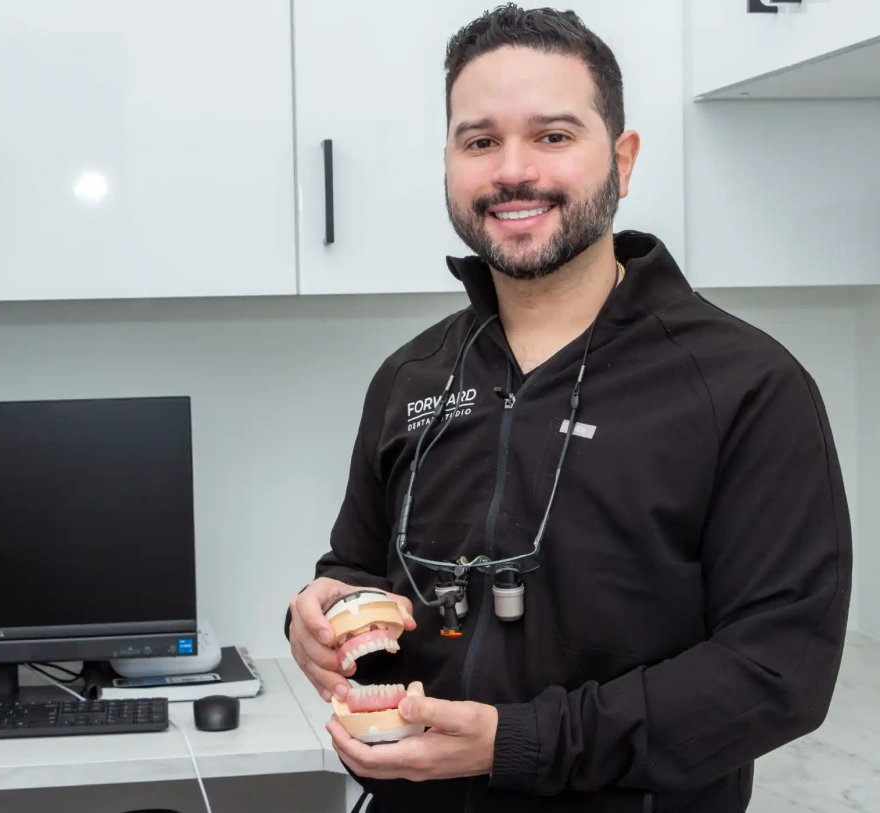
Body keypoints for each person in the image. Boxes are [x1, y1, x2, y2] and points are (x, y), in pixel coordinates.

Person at [285, 5, 852, 812]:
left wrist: (516, 743)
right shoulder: (410, 376)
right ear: (448, 162)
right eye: (480, 141)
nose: (513, 170)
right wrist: (322, 612)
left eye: (553, 135)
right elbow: (357, 567)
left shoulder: (746, 386)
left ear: (623, 159)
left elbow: (778, 671)